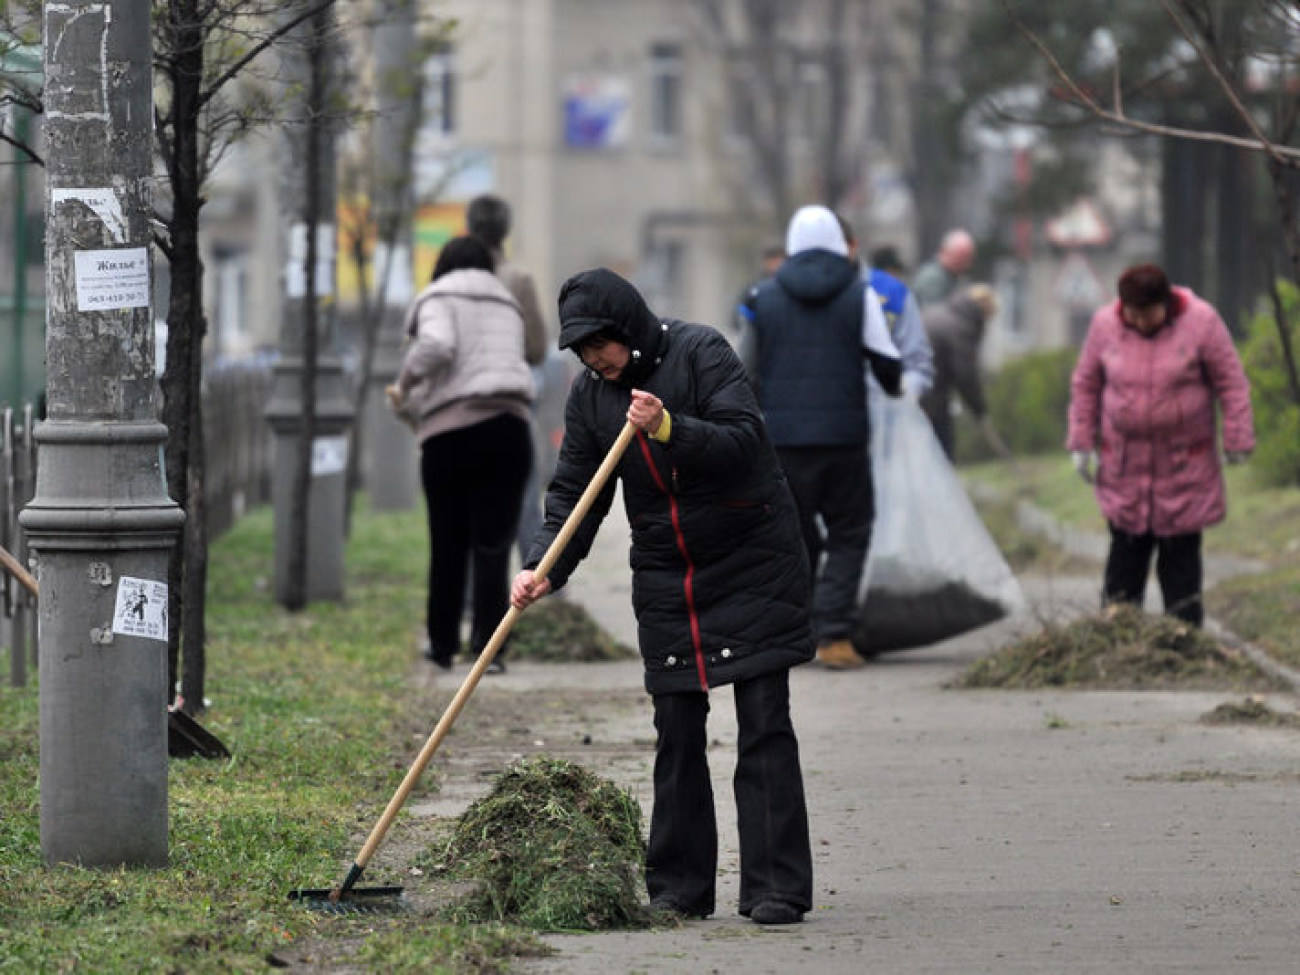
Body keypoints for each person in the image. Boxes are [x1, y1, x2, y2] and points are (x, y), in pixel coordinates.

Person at [511, 267, 815, 926]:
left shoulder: (701, 353)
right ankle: (678, 886)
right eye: (583, 349)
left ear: (629, 325)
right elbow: (574, 494)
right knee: (677, 730)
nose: (595, 357)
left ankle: (775, 886)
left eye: (602, 342)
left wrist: (671, 427)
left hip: (751, 561)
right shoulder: (592, 399)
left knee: (763, 720)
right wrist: (543, 565)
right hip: (668, 575)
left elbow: (745, 440)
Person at [739, 205, 903, 671]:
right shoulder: (860, 295)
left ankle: (797, 632)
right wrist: (894, 389)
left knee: (795, 532)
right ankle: (835, 635)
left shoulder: (762, 297)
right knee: (850, 531)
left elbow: (744, 370)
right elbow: (887, 363)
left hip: (784, 442)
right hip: (844, 438)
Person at [1066, 263, 1254, 627]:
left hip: (1184, 468)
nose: (1138, 322)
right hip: (1125, 467)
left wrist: (1237, 434)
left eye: (1146, 314)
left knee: (1180, 560)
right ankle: (1117, 636)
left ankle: (1184, 639)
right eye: (1131, 315)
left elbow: (1231, 381)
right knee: (1125, 557)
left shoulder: (1201, 323)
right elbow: (1086, 383)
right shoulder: (1106, 325)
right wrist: (1081, 441)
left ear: (1165, 303)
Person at [387, 235, 535, 674]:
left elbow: (437, 346)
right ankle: (489, 653)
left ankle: (443, 644)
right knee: (495, 545)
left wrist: (406, 383)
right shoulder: (508, 304)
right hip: (510, 428)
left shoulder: (439, 295)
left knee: (448, 542)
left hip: (452, 435)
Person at [465, 193, 549, 556]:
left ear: (470, 229)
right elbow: (537, 349)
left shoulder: (452, 280)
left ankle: (469, 597)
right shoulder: (519, 279)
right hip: (510, 404)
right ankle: (543, 585)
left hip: (464, 407)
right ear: (505, 231)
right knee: (524, 498)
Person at [839, 215, 934, 401]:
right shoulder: (793, 296)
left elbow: (916, 363)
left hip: (882, 412)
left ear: (852, 246)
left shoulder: (895, 293)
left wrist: (901, 396)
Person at [918, 284, 998, 459]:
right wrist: (979, 410)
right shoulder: (962, 328)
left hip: (910, 393)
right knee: (941, 457)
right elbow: (965, 375)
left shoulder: (941, 313)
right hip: (931, 400)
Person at [912, 228, 976, 306]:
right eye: (961, 259)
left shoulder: (952, 277)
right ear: (945, 252)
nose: (966, 266)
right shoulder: (933, 278)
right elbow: (930, 313)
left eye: (968, 259)